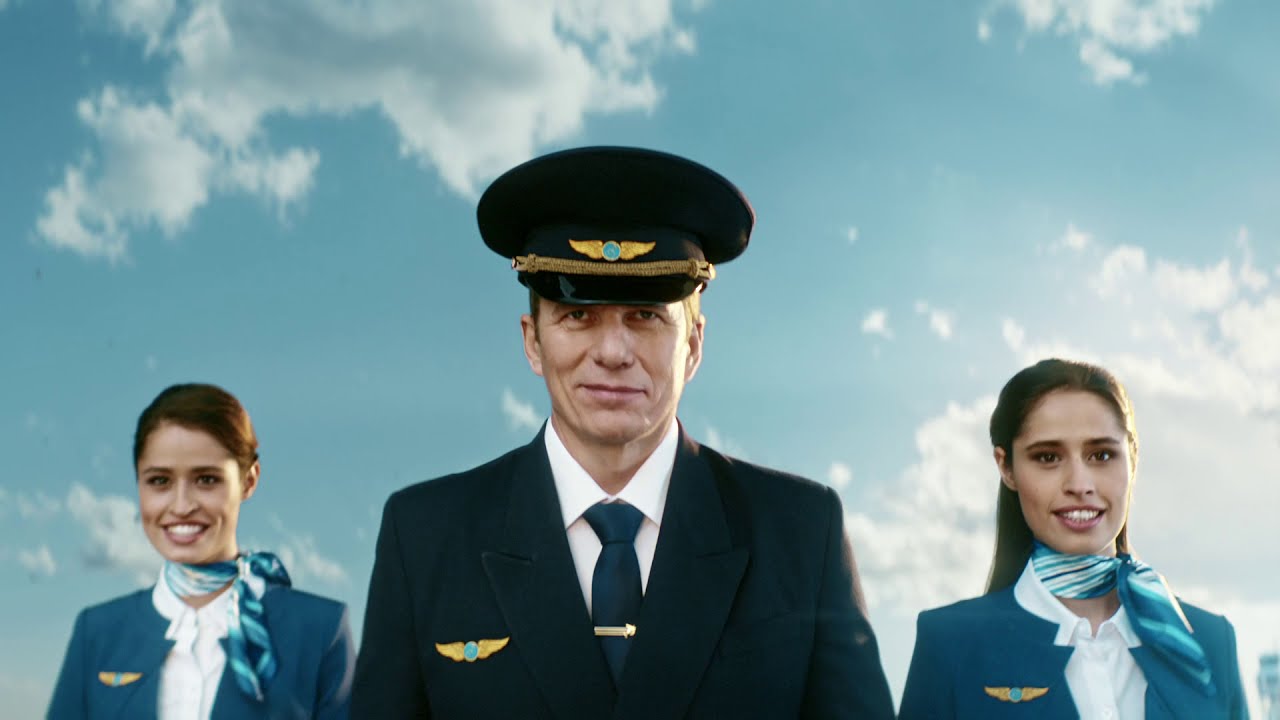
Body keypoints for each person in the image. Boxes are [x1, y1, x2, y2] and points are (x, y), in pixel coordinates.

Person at [352, 146, 895, 718]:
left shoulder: (799, 533)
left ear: (693, 345)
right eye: (578, 316)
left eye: (645, 316)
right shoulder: (425, 539)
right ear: (532, 341)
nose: (613, 352)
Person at [899, 358, 1248, 719]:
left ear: (1133, 459)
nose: (1080, 485)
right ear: (1006, 467)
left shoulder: (1209, 642)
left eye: (1102, 455)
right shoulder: (950, 645)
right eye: (1048, 457)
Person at [48, 383, 354, 719]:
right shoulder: (97, 632)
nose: (181, 506)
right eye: (159, 481)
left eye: (207, 480)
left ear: (249, 480)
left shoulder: (319, 630)